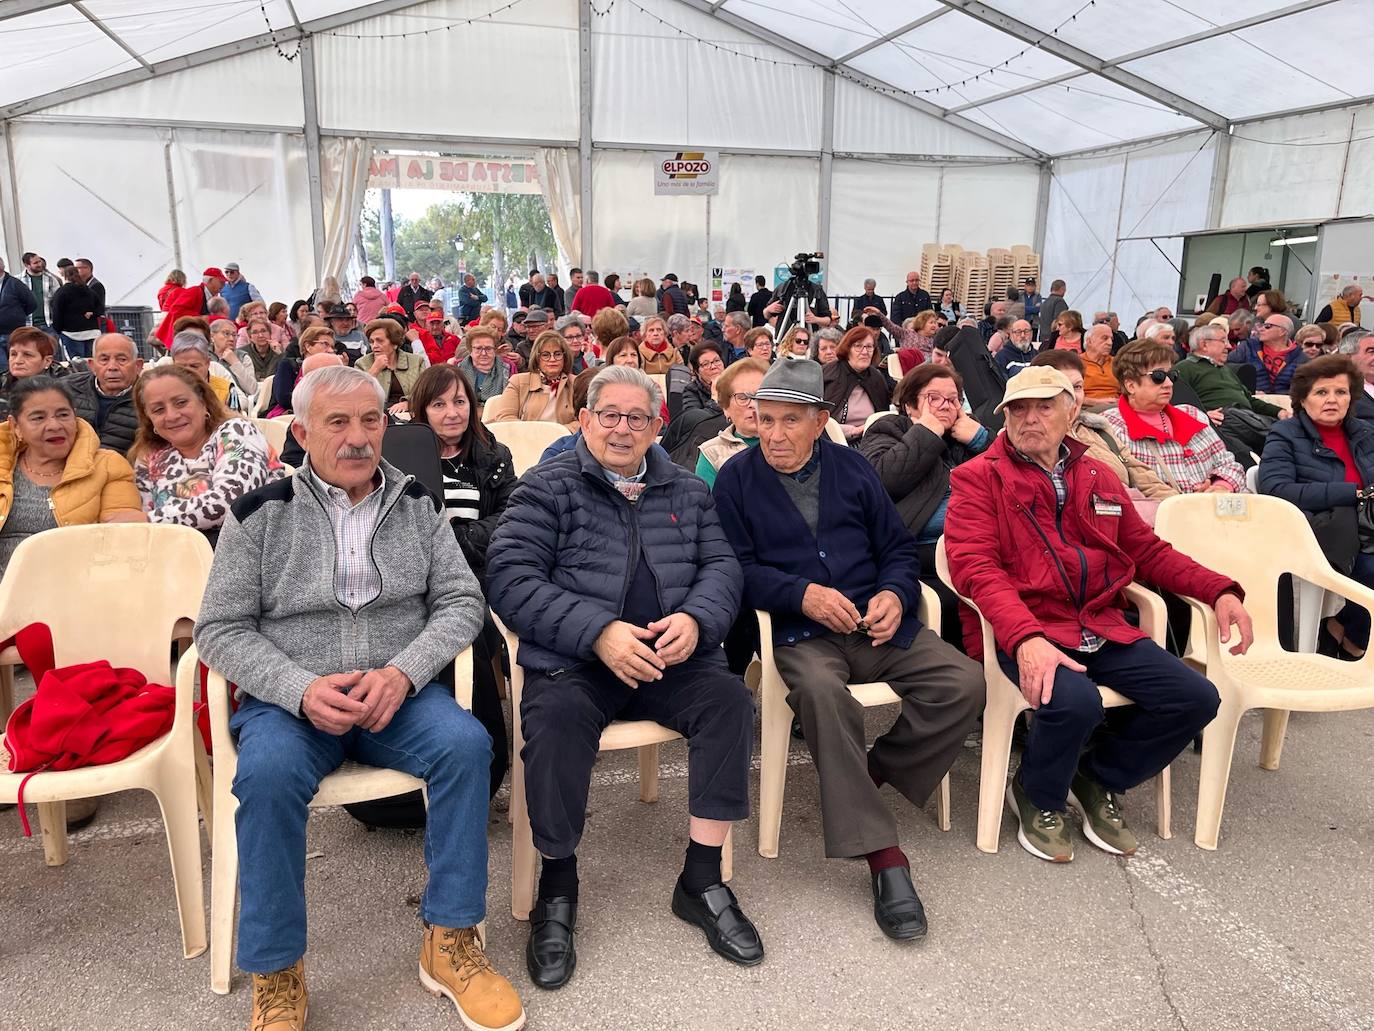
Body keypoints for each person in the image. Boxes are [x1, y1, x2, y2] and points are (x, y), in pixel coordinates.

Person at [193, 364, 524, 1031]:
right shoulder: (260, 514)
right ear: (301, 431)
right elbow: (218, 629)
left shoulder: (418, 505)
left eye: (370, 420)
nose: (357, 437)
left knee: (467, 746)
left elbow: (462, 601)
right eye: (337, 422)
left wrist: (403, 672)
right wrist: (299, 687)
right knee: (266, 775)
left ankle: (451, 937)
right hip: (294, 699)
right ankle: (278, 968)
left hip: (394, 693)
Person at [486, 365, 764, 989]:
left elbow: (722, 567)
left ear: (656, 426)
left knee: (729, 703)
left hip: (669, 658)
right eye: (609, 414)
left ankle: (702, 878)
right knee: (553, 725)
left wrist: (697, 619)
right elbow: (509, 577)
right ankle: (557, 887)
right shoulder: (547, 488)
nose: (621, 428)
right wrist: (597, 631)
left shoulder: (688, 491)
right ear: (583, 420)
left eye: (637, 417)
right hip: (577, 661)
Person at [713, 358, 982, 938]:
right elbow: (733, 570)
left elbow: (898, 550)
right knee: (820, 692)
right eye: (765, 420)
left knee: (963, 685)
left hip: (874, 625)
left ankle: (867, 775)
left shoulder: (853, 469)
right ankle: (885, 857)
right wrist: (800, 594)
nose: (775, 435)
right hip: (799, 632)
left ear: (820, 420)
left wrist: (893, 592)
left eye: (790, 421)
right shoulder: (736, 478)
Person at [946, 366, 1253, 862]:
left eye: (1044, 406)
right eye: (1018, 409)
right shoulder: (978, 477)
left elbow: (1148, 552)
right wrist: (1026, 638)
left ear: (1072, 411)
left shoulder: (1096, 474)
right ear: (1003, 417)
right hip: (1025, 627)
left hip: (1099, 624)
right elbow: (976, 570)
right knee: (1076, 702)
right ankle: (1037, 792)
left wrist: (1218, 590)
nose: (1030, 418)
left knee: (1194, 698)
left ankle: (1097, 777)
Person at [858, 364, 990, 643]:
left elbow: (1007, 480)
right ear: (909, 405)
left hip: (976, 546)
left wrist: (982, 440)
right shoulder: (888, 429)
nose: (946, 405)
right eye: (934, 398)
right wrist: (926, 433)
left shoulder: (965, 436)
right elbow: (881, 481)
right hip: (921, 551)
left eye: (953, 399)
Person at [1258, 354, 1374, 660]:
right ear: (1303, 398)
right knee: (1372, 567)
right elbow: (1276, 489)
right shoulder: (1286, 433)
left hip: (1367, 522)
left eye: (1341, 392)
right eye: (1321, 392)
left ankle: (1340, 627)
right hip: (1319, 526)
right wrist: (1352, 492)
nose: (1332, 400)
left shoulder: (1363, 432)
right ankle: (1355, 639)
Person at [0, 375, 146, 572]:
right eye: (38, 417)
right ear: (16, 426)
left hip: (76, 586)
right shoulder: (4, 465)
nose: (54, 425)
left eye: (63, 415)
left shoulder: (108, 465)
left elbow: (119, 544)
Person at [130, 365, 283, 540]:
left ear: (203, 403)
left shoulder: (237, 432)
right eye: (158, 410)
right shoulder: (149, 457)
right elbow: (143, 531)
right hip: (175, 557)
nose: (171, 415)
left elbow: (232, 501)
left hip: (253, 551)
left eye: (181, 402)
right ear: (149, 419)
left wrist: (150, 519)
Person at [1029, 351, 1177, 524]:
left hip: (1133, 519)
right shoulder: (1032, 441)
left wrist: (1181, 505)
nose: (1073, 395)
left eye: (1077, 387)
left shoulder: (1099, 429)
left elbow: (1144, 477)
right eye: (1062, 387)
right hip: (1095, 527)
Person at [1102, 340, 1246, 494]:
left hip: (1211, 510)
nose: (1169, 383)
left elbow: (1229, 464)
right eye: (1158, 376)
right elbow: (1116, 488)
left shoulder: (1193, 414)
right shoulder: (1110, 427)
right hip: (1157, 514)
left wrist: (1220, 486)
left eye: (1172, 375)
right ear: (1131, 385)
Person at [694, 358, 767, 489]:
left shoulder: (787, 442)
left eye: (760, 396)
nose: (753, 404)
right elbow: (708, 506)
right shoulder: (712, 453)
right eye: (743, 398)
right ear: (726, 408)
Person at [66, 333, 142, 453]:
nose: (112, 367)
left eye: (122, 359)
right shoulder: (66, 389)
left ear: (138, 365)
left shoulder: (149, 398)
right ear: (92, 365)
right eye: (104, 360)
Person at [485, 331, 576, 428]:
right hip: (523, 440)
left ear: (565, 357)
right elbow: (506, 417)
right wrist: (532, 434)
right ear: (537, 358)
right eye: (545, 355)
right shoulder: (518, 382)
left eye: (557, 354)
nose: (552, 359)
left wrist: (560, 433)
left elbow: (582, 420)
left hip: (563, 440)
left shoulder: (576, 383)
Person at [823, 326, 890, 442]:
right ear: (847, 349)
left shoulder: (876, 378)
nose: (865, 352)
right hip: (833, 441)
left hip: (871, 440)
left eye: (869, 347)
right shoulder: (829, 374)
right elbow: (818, 422)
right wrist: (853, 431)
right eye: (858, 346)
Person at [358, 318, 423, 417]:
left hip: (412, 413)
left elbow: (425, 390)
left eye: (380, 341)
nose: (374, 346)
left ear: (395, 343)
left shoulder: (416, 362)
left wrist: (409, 403)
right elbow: (357, 394)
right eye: (371, 341)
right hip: (376, 415)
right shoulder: (362, 363)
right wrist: (374, 371)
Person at [1227, 313, 1306, 394]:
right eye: (1262, 325)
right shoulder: (1248, 347)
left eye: (1267, 326)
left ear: (1282, 332)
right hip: (1252, 400)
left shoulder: (1300, 357)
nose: (1261, 329)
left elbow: (1303, 388)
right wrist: (1247, 390)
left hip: (1285, 402)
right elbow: (1226, 368)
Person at [0, 328, 64, 418]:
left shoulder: (65, 386)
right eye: (13, 354)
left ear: (47, 361)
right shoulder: (3, 382)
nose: (17, 361)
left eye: (27, 355)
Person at [47, 265, 101, 360]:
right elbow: (100, 308)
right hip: (92, 331)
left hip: (71, 333)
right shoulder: (89, 291)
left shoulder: (62, 292)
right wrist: (92, 314)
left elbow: (57, 312)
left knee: (76, 364)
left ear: (64, 276)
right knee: (91, 362)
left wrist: (58, 329)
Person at [456, 325, 510, 411]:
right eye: (478, 348)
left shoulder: (507, 369)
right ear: (470, 349)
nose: (484, 353)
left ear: (495, 349)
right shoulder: (458, 370)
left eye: (488, 348)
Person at [683, 340, 726, 416]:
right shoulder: (691, 391)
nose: (713, 367)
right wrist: (714, 398)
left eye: (716, 361)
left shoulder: (735, 384)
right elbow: (694, 420)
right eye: (706, 364)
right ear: (697, 372)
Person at [1079, 323, 1118, 402]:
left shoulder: (1117, 362)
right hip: (1089, 408)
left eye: (1111, 339)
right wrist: (1097, 402)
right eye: (1105, 338)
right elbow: (1070, 396)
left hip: (1117, 407)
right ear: (1089, 341)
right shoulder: (1076, 363)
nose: (1110, 343)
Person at [237, 319, 281, 385]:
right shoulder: (242, 353)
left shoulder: (277, 350)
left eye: (263, 331)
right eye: (255, 332)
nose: (260, 335)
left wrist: (279, 354)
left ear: (270, 334)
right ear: (250, 337)